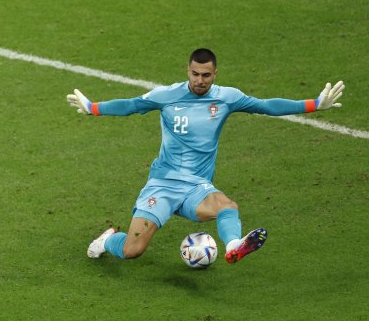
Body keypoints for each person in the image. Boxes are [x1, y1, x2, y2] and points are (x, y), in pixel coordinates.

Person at [66, 48, 344, 263]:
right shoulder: (167, 95)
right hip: (162, 185)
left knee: (227, 206)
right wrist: (93, 107)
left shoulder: (226, 98)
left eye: (206, 75)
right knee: (132, 250)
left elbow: (265, 105)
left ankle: (234, 245)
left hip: (197, 189)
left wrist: (314, 104)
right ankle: (107, 241)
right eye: (195, 74)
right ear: (188, 71)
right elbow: (132, 105)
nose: (200, 80)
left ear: (215, 74)